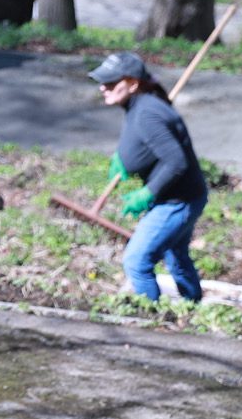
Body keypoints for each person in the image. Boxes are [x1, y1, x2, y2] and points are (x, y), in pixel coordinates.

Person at [89, 50, 209, 305]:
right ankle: (193, 306)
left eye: (110, 83)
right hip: (183, 196)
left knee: (136, 261)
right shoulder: (139, 105)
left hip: (177, 201)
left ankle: (150, 319)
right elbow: (151, 146)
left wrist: (148, 192)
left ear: (132, 84)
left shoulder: (147, 113)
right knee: (176, 254)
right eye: (102, 82)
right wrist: (125, 158)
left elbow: (176, 161)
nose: (103, 87)